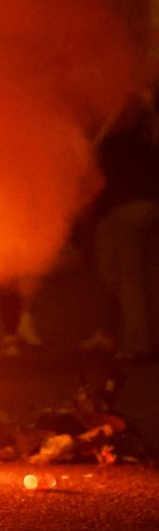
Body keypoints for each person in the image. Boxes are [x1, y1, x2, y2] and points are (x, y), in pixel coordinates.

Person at [92, 82, 159, 363]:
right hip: (144, 204)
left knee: (129, 278)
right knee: (128, 274)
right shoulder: (147, 126)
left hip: (126, 207)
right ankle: (126, 335)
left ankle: (138, 343)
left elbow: (106, 169)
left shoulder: (125, 127)